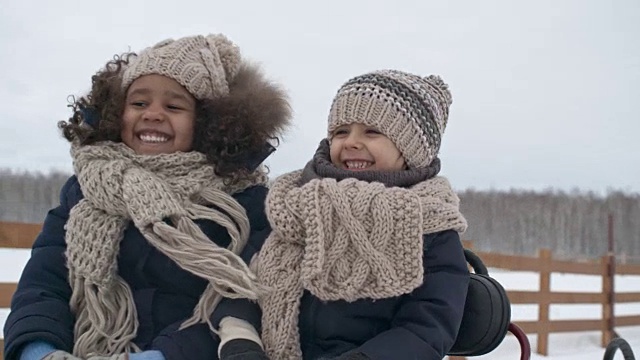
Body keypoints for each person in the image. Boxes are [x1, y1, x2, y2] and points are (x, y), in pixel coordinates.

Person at [3, 34, 290, 360]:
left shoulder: (244, 203)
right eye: (139, 103)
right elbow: (44, 282)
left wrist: (159, 356)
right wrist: (38, 350)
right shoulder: (84, 192)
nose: (153, 114)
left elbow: (241, 298)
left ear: (207, 123)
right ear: (116, 112)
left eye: (174, 106)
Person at [256, 70, 469, 359]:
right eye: (340, 132)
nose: (352, 142)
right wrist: (242, 343)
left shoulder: (430, 225)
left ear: (411, 150)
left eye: (372, 132)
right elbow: (244, 284)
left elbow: (430, 323)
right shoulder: (292, 204)